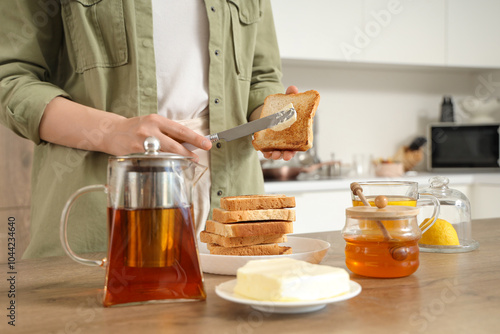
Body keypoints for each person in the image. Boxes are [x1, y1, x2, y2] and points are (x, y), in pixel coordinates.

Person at [0, 0, 298, 258]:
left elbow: (261, 78)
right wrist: (112, 131)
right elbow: (10, 80)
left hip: (233, 209)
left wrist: (270, 118)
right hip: (101, 208)